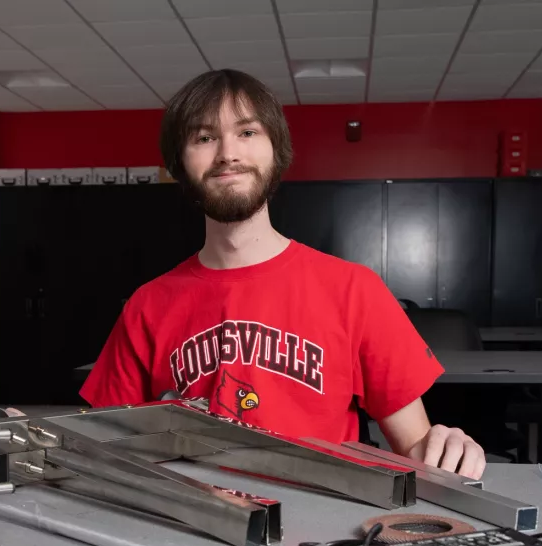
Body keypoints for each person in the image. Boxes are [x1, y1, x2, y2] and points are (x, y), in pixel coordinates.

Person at [79, 69, 485, 479]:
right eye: (204, 138)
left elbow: (414, 446)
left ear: (277, 151)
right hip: (198, 526)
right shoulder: (147, 306)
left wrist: (445, 446)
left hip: (326, 529)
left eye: (247, 133)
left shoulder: (353, 290)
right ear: (180, 164)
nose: (227, 153)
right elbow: (111, 450)